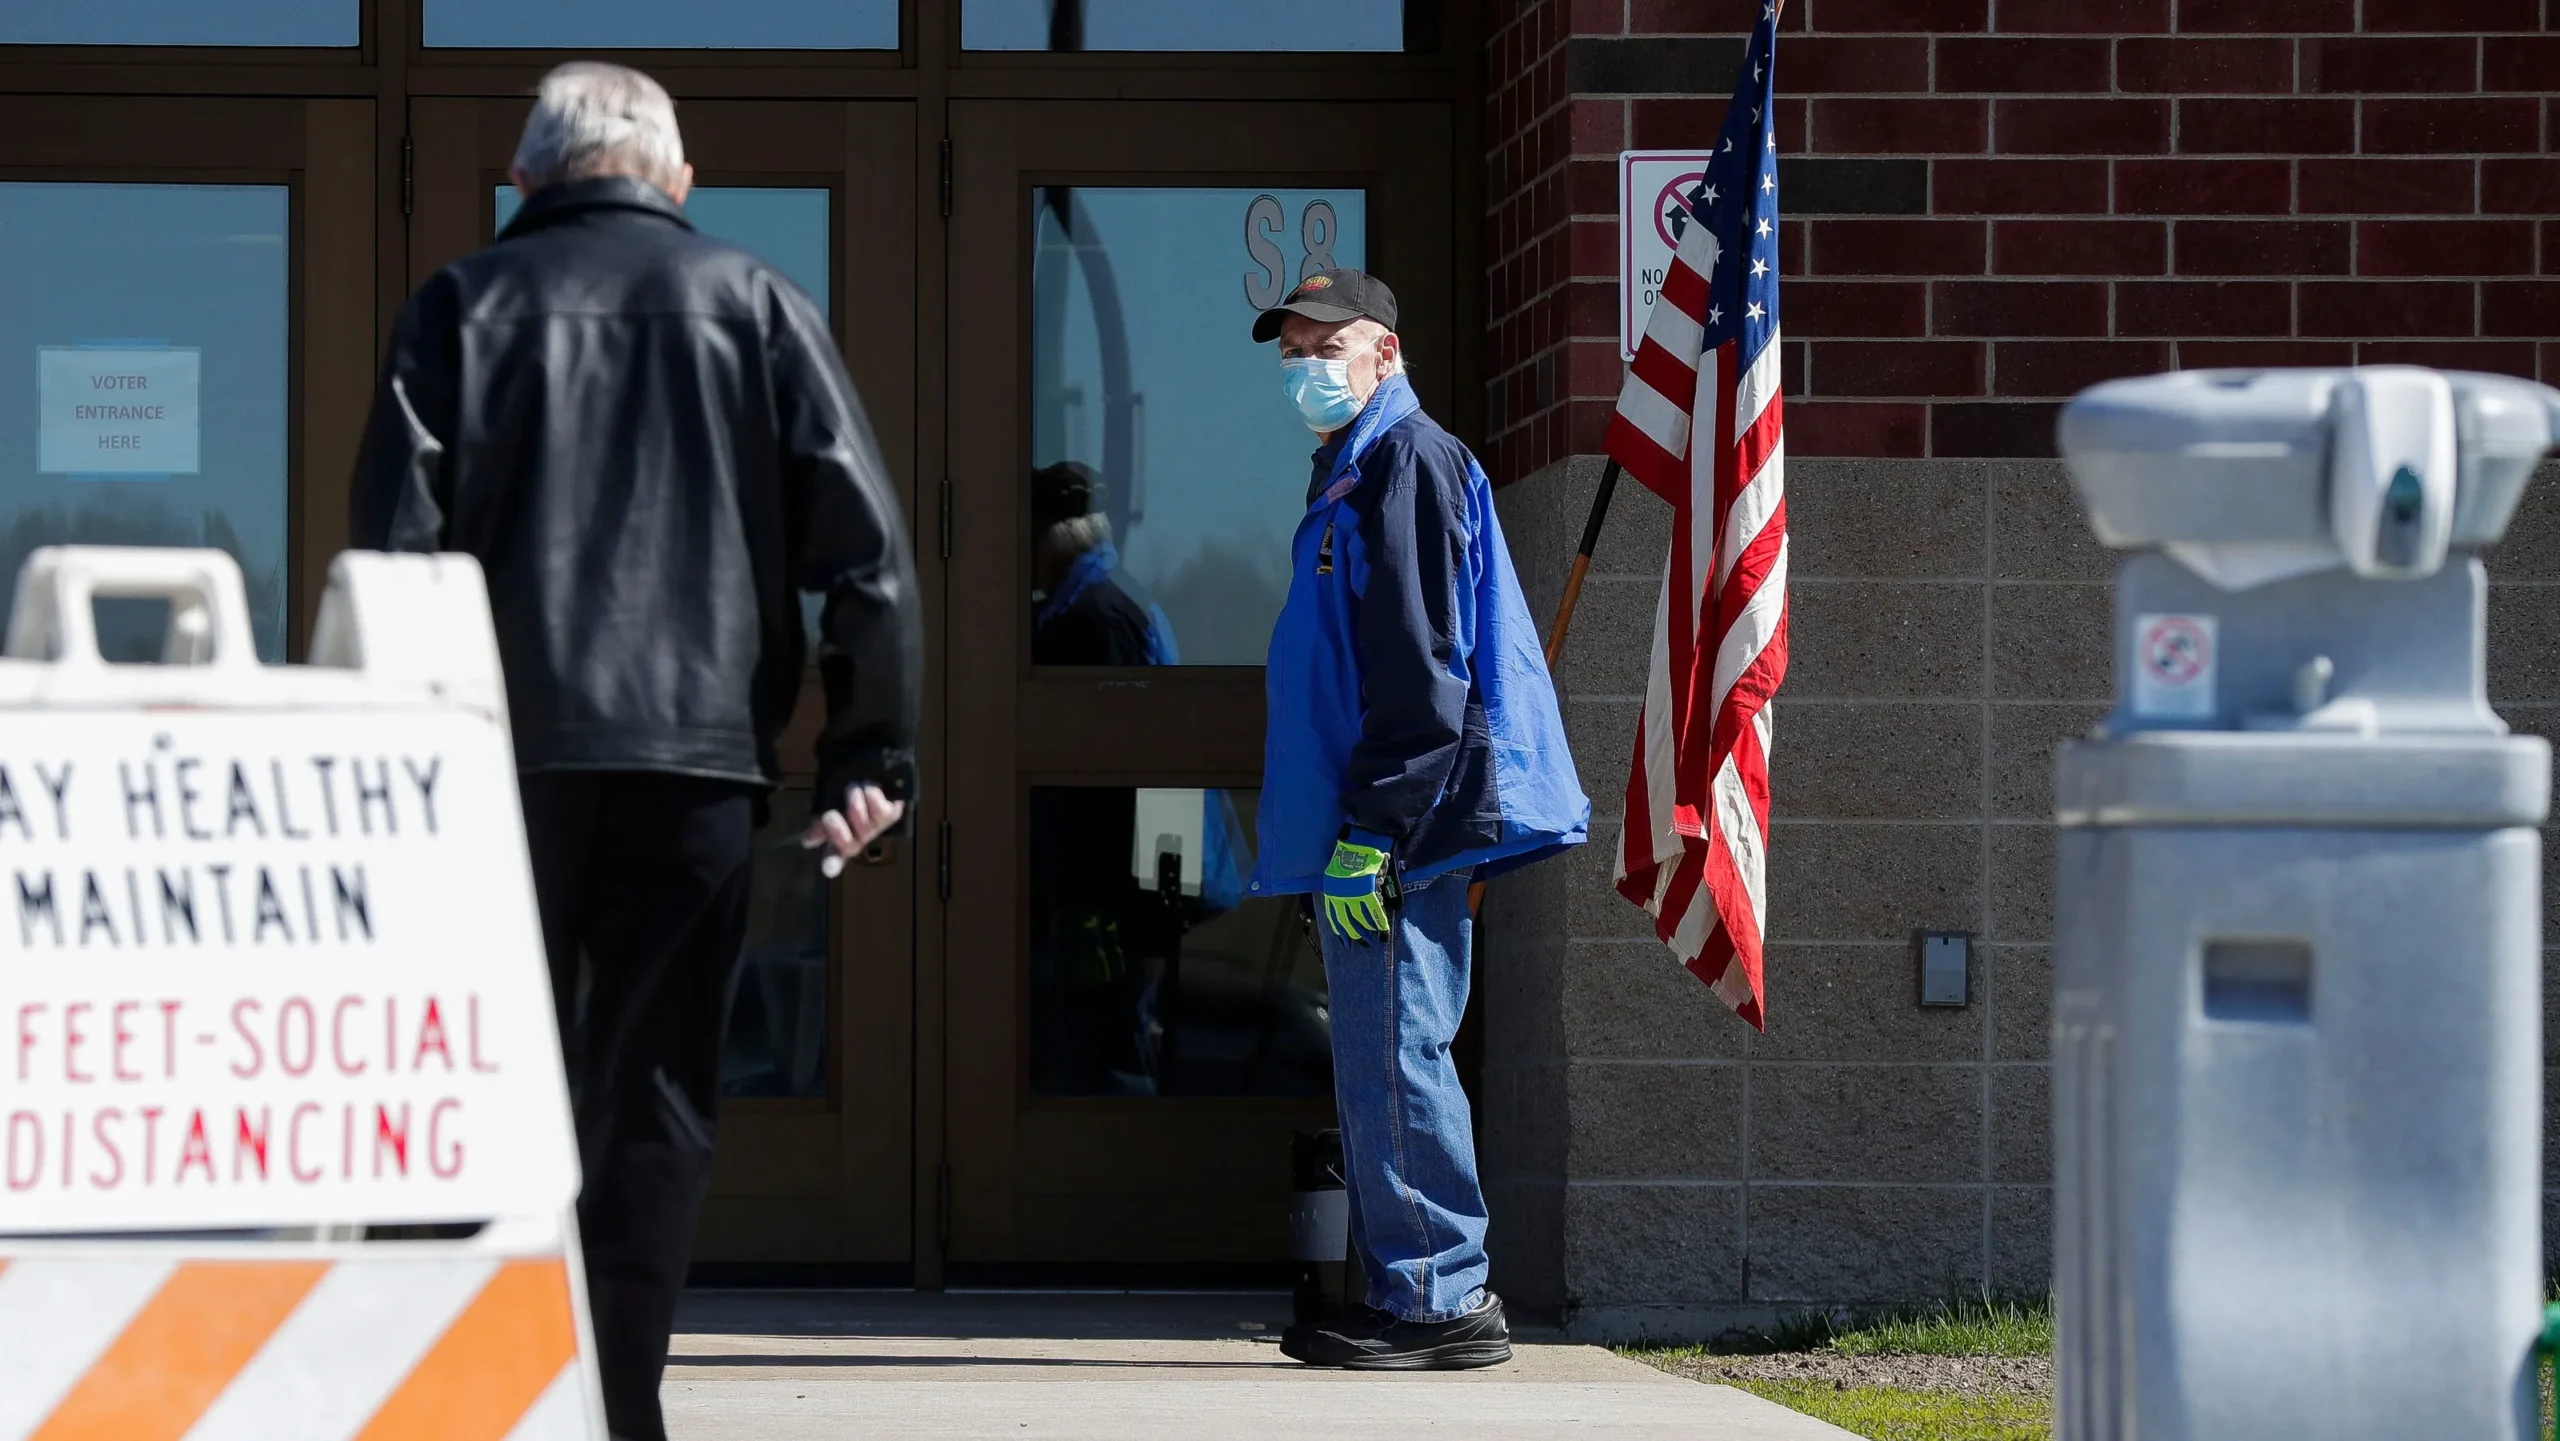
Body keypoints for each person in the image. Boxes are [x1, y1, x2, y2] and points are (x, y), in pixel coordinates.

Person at [350, 61, 920, 1440]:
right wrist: (868, 754)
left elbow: (391, 557)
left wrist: (385, 764)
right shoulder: (757, 303)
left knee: (474, 1077)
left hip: (495, 769)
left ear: (527, 177)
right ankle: (615, 1402)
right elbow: (870, 556)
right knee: (657, 1091)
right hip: (698, 766)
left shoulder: (459, 307)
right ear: (675, 182)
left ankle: (475, 1398)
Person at [1250, 269, 1588, 1369]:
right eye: (1292, 349)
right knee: (1379, 1051)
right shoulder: (1358, 468)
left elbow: (1421, 669)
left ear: (1385, 351)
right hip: (1385, 819)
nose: (1306, 366)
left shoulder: (1405, 464)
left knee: (1398, 1049)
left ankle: (1441, 1297)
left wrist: (1374, 831)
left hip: (1402, 825)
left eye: (1326, 343)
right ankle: (1411, 1288)